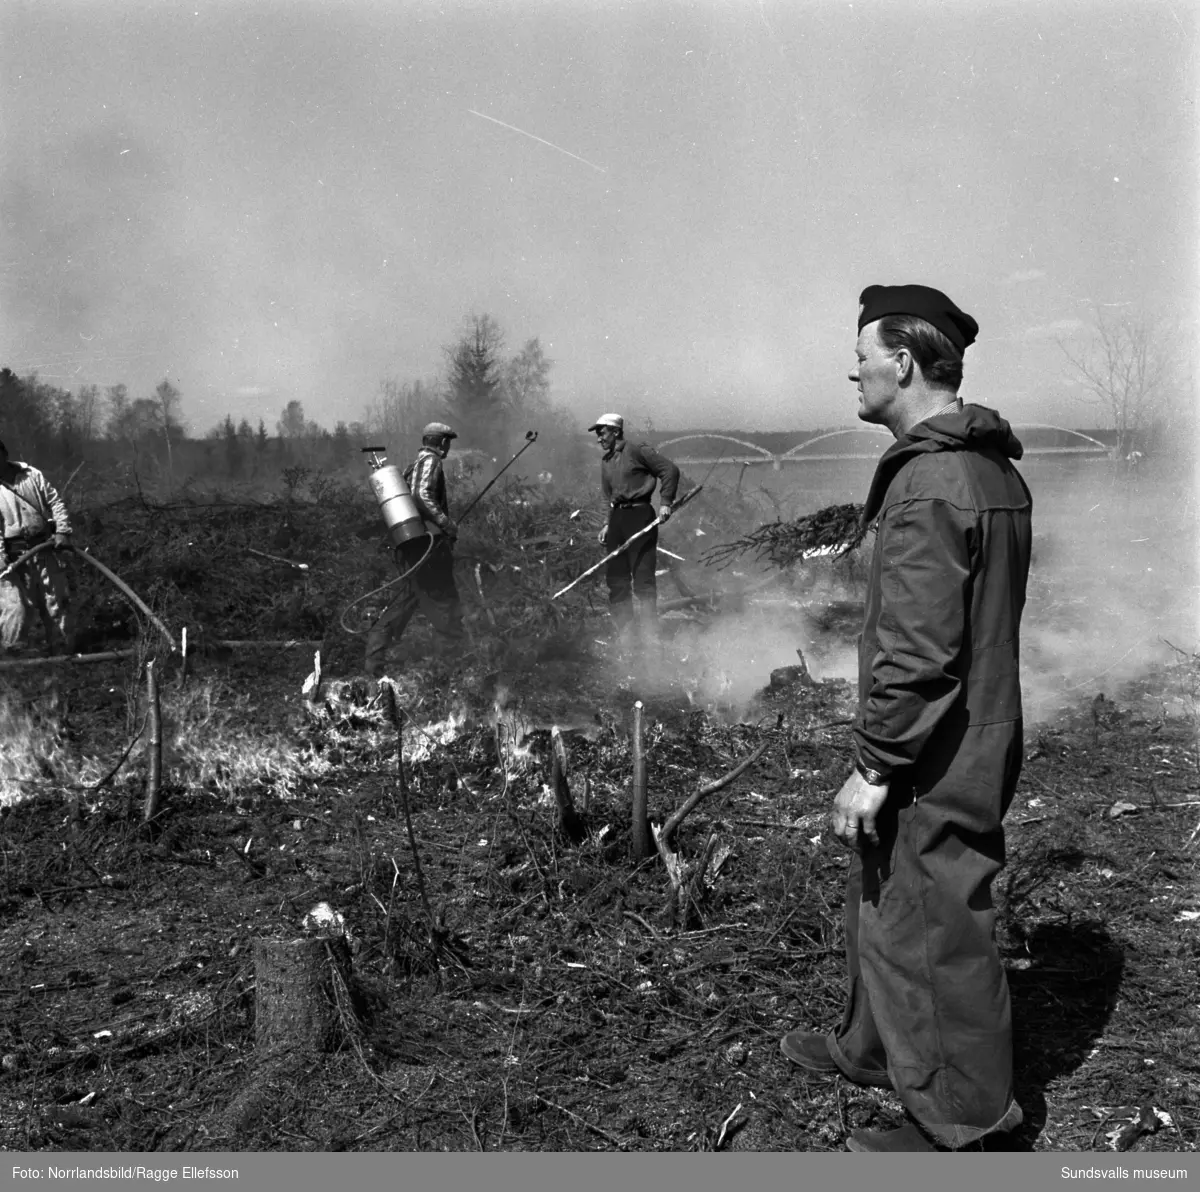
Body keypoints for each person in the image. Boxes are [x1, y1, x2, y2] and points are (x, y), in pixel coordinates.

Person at [779, 285, 1033, 1152]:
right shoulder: (986, 467)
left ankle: (965, 1123)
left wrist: (877, 762)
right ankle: (874, 1047)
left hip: (937, 741)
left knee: (937, 917)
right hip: (972, 722)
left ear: (904, 363)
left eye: (862, 352)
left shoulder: (930, 482)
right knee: (887, 889)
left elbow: (921, 649)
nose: (851, 367)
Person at [364, 422, 465, 676]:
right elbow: (421, 495)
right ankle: (453, 669)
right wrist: (446, 524)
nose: (449, 447)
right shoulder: (431, 461)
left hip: (412, 547)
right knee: (444, 602)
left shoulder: (414, 465)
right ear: (441, 442)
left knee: (404, 600)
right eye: (448, 441)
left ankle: (374, 663)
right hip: (427, 549)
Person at [588, 413, 680, 652]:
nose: (599, 439)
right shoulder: (606, 461)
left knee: (643, 578)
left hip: (640, 516)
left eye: (602, 433)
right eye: (598, 434)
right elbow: (609, 497)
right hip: (617, 520)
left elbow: (669, 470)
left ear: (616, 431)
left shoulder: (637, 451)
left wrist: (666, 502)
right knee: (616, 579)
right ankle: (626, 637)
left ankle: (651, 639)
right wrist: (609, 524)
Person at [0, 439, 76, 656]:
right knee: (16, 608)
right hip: (11, 558)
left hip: (44, 548)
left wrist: (62, 530)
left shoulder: (31, 475)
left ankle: (64, 654)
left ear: (4, 454)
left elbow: (55, 502)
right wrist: (2, 559)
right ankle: (13, 659)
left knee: (57, 602)